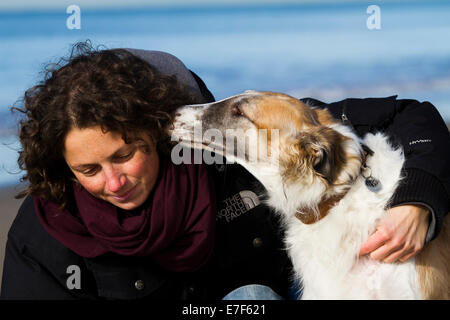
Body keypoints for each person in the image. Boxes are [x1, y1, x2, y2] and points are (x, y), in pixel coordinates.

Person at [1, 41, 449, 300]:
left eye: (125, 155)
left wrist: (419, 198)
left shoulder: (242, 149)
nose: (113, 182)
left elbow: (409, 115)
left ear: (157, 134)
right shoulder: (45, 233)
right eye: (88, 169)